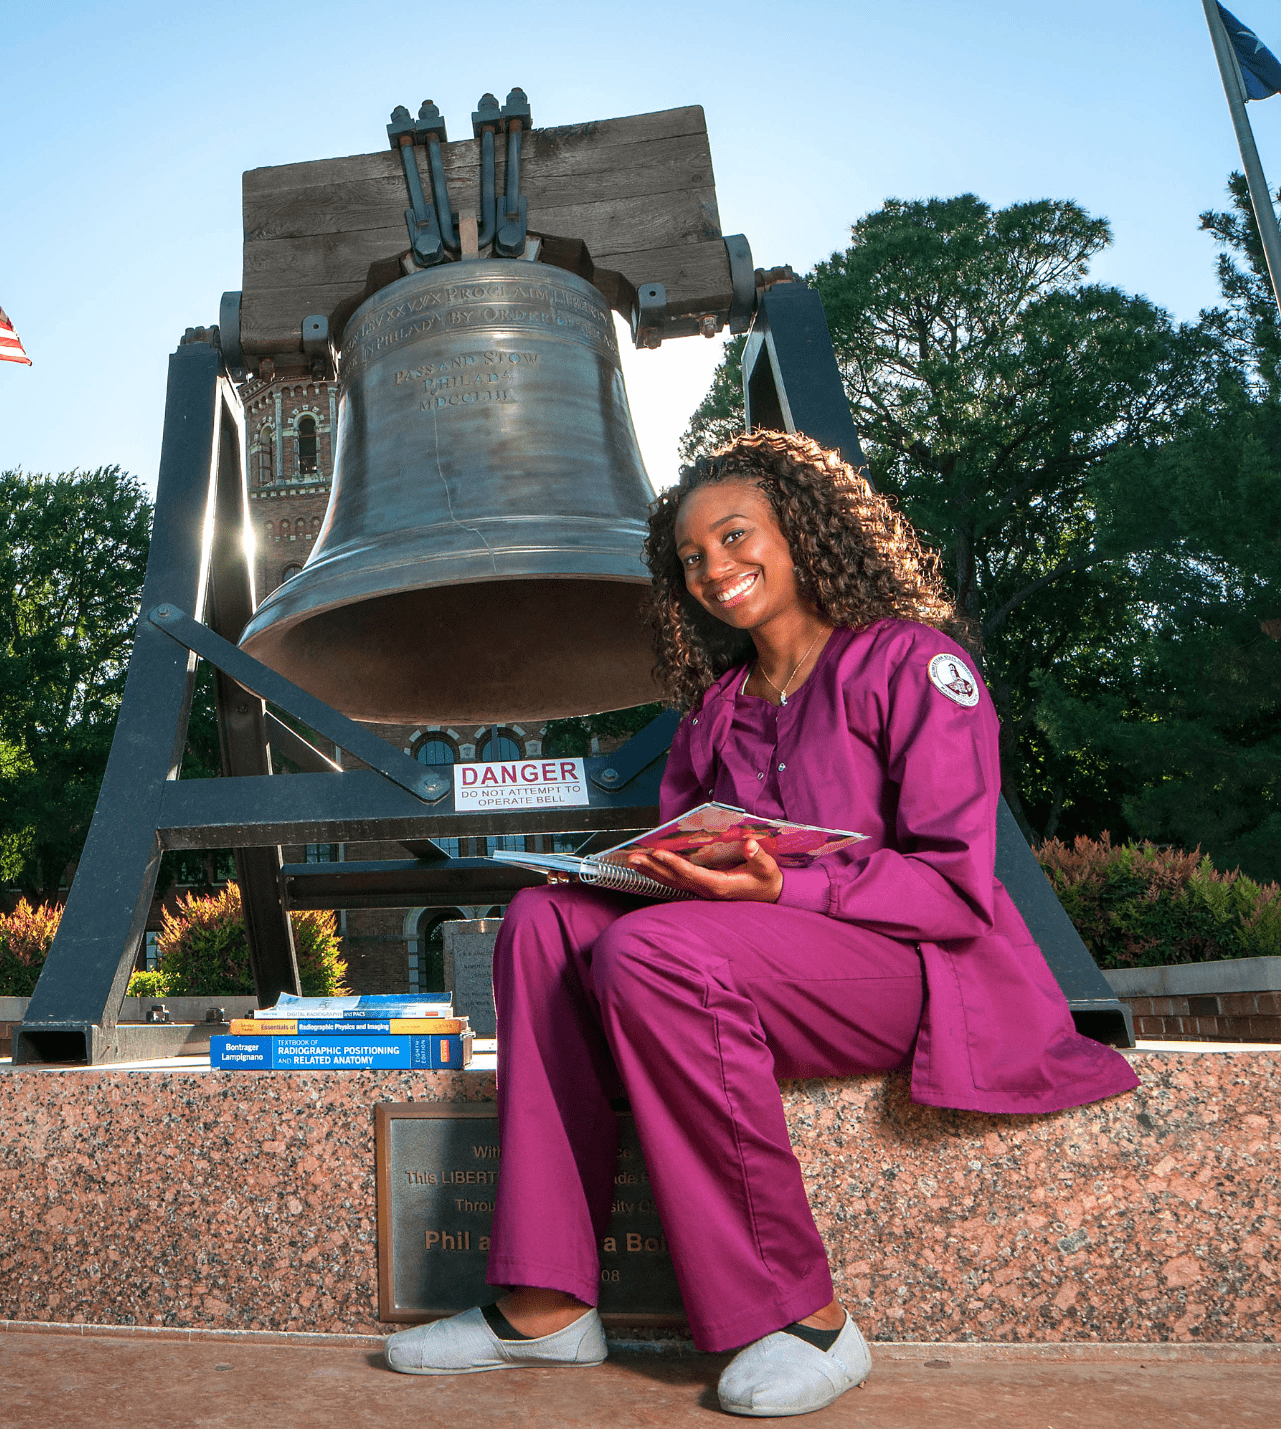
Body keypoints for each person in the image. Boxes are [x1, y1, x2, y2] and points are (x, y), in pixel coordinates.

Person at [383, 430, 1137, 1415]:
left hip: (914, 973)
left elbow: (953, 886)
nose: (713, 570)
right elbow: (694, 867)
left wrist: (781, 890)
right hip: (745, 960)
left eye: (735, 537)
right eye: (690, 558)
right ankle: (545, 1305)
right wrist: (643, 872)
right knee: (541, 923)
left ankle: (806, 1317)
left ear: (802, 534)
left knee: (652, 953)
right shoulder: (717, 710)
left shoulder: (914, 664)